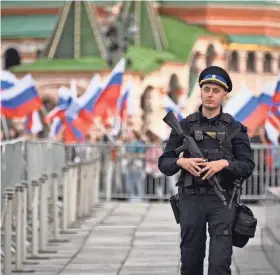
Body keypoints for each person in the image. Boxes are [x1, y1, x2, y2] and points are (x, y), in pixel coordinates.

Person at [158, 66, 255, 275]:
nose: (210, 94)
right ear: (201, 90)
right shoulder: (184, 127)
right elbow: (164, 163)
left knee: (219, 264)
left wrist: (224, 164)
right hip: (191, 200)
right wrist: (181, 163)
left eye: (216, 90)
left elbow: (247, 166)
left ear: (224, 94)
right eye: (206, 89)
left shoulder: (235, 129)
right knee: (190, 263)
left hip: (223, 202)